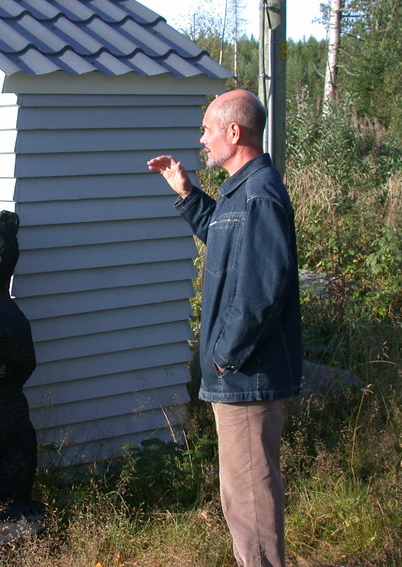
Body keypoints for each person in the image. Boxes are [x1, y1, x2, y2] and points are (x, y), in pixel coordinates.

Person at [147, 89, 302, 567]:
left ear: (234, 132)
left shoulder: (261, 194)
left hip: (246, 374)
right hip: (238, 372)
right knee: (241, 496)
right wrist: (187, 194)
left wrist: (224, 353)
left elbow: (263, 289)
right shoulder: (242, 190)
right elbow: (223, 235)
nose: (203, 139)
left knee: (250, 498)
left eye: (209, 129)